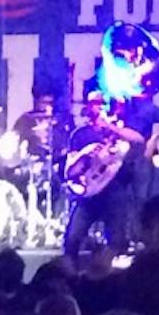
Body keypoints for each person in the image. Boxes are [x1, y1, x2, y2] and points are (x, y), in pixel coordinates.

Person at [62, 92, 146, 257]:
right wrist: (87, 160)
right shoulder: (80, 134)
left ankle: (114, 278)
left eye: (104, 103)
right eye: (96, 103)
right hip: (89, 195)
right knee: (72, 239)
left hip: (115, 193)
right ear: (89, 107)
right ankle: (71, 274)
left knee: (117, 241)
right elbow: (71, 170)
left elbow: (139, 141)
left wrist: (110, 127)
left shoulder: (119, 131)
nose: (101, 107)